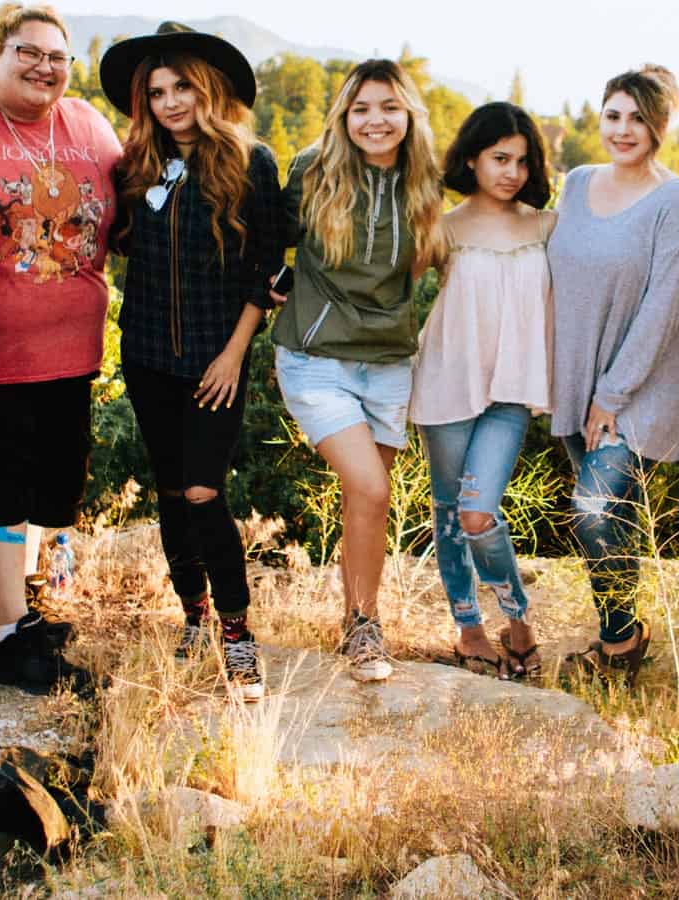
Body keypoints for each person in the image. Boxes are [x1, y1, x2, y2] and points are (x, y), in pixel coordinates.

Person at [0, 2, 120, 692]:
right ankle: (11, 635)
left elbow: (127, 209)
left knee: (50, 492)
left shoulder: (90, 127)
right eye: (28, 51)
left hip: (75, 351)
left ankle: (26, 612)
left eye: (57, 57)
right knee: (2, 491)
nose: (45, 66)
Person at [99, 23, 282, 701]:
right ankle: (193, 615)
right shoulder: (133, 166)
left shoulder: (249, 162)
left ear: (208, 90)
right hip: (146, 357)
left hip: (216, 362)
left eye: (182, 87)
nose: (171, 101)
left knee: (206, 491)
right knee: (172, 493)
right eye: (157, 91)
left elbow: (267, 270)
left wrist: (235, 353)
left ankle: (237, 633)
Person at [270, 59, 448, 682]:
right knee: (372, 487)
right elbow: (269, 237)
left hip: (389, 361)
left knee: (366, 501)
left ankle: (360, 623)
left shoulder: (424, 182)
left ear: (408, 115)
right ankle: (364, 625)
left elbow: (426, 265)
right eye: (362, 108)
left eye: (389, 108)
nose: (376, 121)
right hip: (316, 358)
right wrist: (274, 281)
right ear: (344, 115)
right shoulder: (313, 171)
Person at [547, 66, 679, 686]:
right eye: (614, 114)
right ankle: (622, 631)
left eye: (639, 117)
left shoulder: (676, 199)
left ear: (661, 126)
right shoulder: (578, 182)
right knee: (608, 518)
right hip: (575, 384)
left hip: (638, 389)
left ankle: (621, 641)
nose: (623, 129)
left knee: (592, 507)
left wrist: (612, 393)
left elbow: (666, 306)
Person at [409, 102, 555, 680]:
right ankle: (469, 629)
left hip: (511, 392)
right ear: (472, 158)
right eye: (499, 158)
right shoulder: (443, 227)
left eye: (522, 161)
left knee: (477, 513)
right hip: (446, 383)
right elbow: (388, 293)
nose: (511, 172)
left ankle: (517, 619)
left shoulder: (547, 226)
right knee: (450, 513)